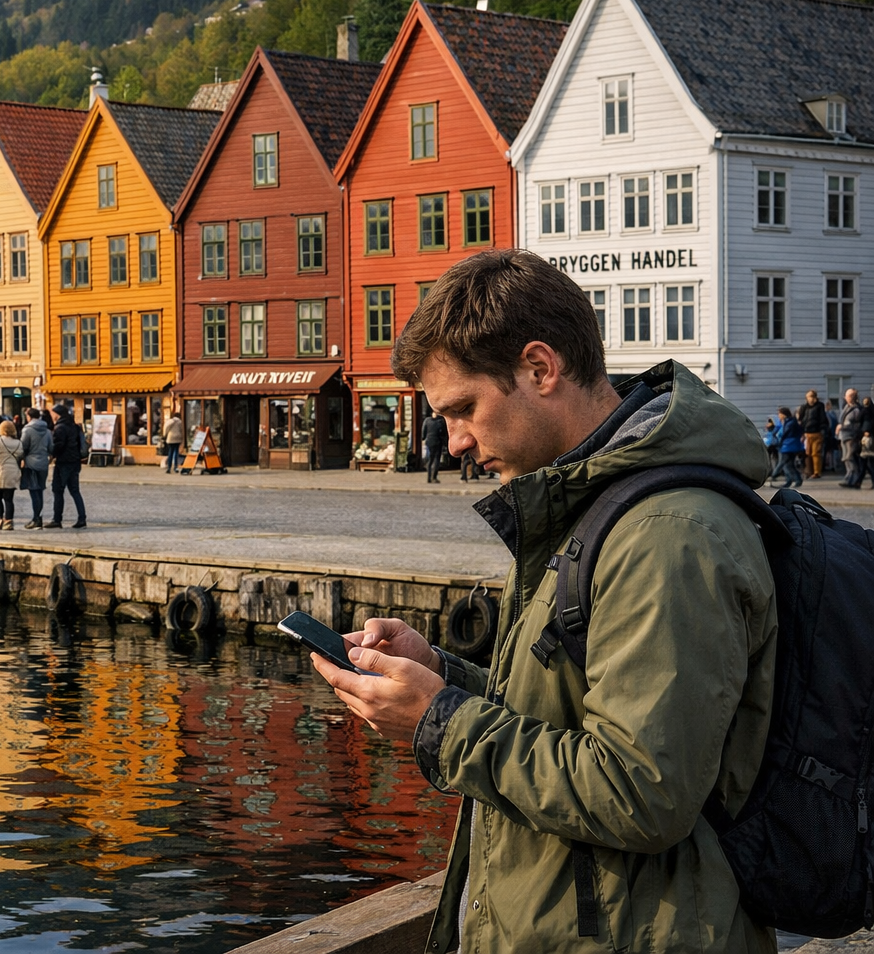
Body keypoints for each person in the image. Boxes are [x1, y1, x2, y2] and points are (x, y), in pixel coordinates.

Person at [309, 248, 777, 954]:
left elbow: (642, 793)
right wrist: (442, 675)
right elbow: (570, 713)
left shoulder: (666, 536)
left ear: (539, 368)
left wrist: (440, 721)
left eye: (464, 409)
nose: (456, 442)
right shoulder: (589, 507)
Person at [45, 403, 86, 529]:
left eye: (53, 413)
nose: (52, 416)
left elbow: (59, 445)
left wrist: (52, 454)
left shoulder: (60, 428)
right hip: (75, 461)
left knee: (58, 490)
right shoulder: (74, 426)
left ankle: (57, 519)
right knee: (75, 491)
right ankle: (82, 518)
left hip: (63, 463)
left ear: (57, 414)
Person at [0, 419, 24, 531]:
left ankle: (0, 519)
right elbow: (20, 454)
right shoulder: (18, 443)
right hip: (12, 472)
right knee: (9, 499)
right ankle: (9, 520)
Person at [19, 408, 52, 529]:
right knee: (40, 491)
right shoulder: (47, 431)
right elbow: (51, 447)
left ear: (29, 416)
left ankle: (36, 518)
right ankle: (39, 517)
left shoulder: (27, 430)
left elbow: (23, 446)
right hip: (43, 463)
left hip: (31, 463)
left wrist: (22, 458)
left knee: (33, 491)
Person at [837, 389, 865, 488]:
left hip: (851, 437)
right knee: (846, 458)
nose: (845, 397)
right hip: (844, 436)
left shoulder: (857, 409)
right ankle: (848, 477)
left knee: (850, 458)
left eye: (847, 396)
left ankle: (853, 479)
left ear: (852, 397)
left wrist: (842, 427)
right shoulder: (847, 407)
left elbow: (856, 425)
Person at [772, 405, 806, 487]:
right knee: (789, 464)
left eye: (779, 414)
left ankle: (775, 474)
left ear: (784, 414)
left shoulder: (790, 422)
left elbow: (785, 434)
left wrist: (774, 473)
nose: (778, 416)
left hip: (789, 446)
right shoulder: (788, 422)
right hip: (789, 446)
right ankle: (792, 480)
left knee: (784, 462)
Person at [797, 388, 828, 478]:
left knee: (816, 453)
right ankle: (808, 471)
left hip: (816, 432)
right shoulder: (804, 407)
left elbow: (822, 419)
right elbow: (800, 420)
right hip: (806, 433)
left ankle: (817, 472)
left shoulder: (819, 406)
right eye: (808, 397)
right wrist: (801, 432)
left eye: (811, 396)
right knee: (807, 453)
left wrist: (822, 431)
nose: (810, 399)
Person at [421, 407, 448, 483]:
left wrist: (423, 438)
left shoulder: (427, 421)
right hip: (437, 442)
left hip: (429, 442)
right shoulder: (440, 421)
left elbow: (423, 432)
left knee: (430, 460)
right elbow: (444, 433)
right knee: (436, 460)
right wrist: (445, 442)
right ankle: (433, 477)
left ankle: (429, 477)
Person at [163, 408, 185, 474]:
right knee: (176, 453)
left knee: (170, 452)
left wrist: (164, 435)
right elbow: (181, 430)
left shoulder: (170, 421)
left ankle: (169, 468)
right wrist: (182, 438)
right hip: (178, 438)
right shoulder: (180, 422)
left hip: (170, 438)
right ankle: (175, 467)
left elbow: (166, 428)